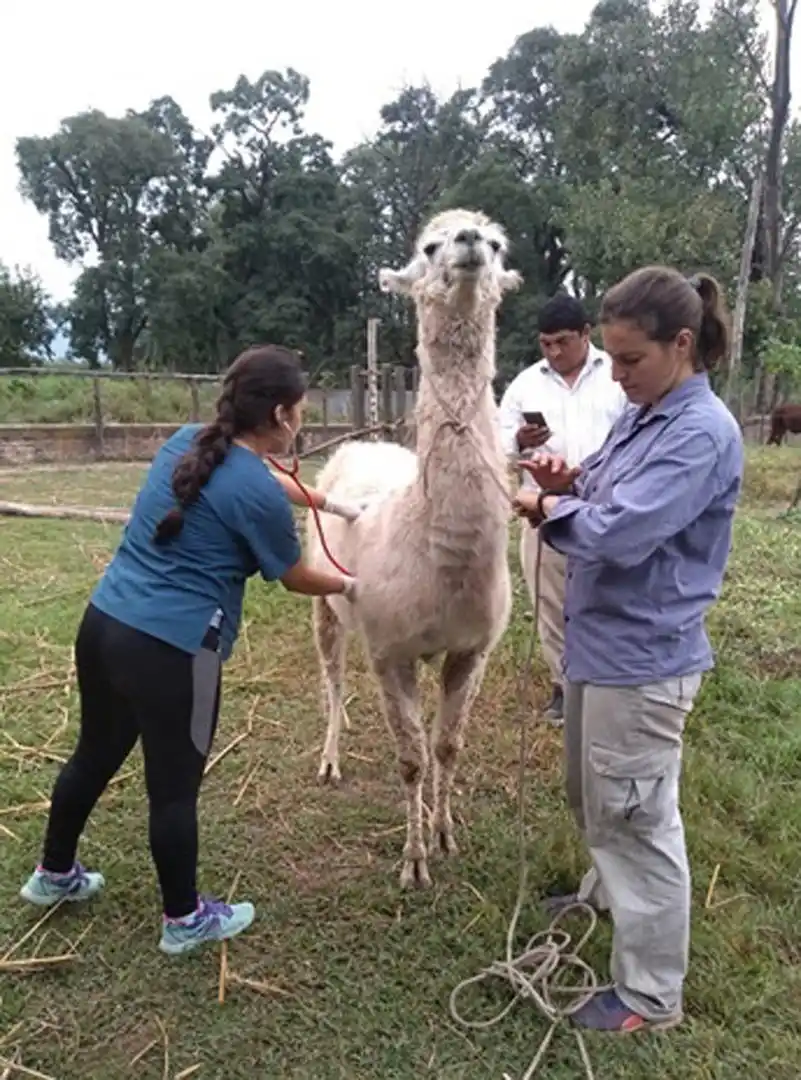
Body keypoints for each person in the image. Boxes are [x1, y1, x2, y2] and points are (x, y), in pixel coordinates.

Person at [19, 344, 360, 956]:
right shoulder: (253, 489)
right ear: (282, 415)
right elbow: (293, 576)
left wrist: (329, 502)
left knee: (92, 755)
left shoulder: (187, 441)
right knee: (174, 792)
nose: (303, 420)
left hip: (103, 624)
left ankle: (54, 874)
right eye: (302, 410)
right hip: (174, 653)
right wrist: (352, 584)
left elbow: (262, 480)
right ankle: (184, 919)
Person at [514, 267, 744, 1033]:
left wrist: (550, 508)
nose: (616, 374)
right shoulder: (647, 413)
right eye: (610, 358)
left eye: (629, 359)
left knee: (639, 819)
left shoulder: (701, 432)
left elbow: (623, 530)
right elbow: (609, 489)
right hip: (602, 645)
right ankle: (605, 894)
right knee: (595, 795)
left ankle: (648, 995)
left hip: (643, 657)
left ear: (681, 344)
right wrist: (569, 475)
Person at [498, 293, 626, 724]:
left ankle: (608, 680)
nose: (554, 352)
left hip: (608, 508)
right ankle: (563, 684)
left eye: (563, 342)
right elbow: (496, 443)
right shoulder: (525, 385)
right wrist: (519, 442)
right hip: (544, 511)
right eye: (546, 343)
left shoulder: (618, 374)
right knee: (552, 602)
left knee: (609, 596)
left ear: (586, 334)